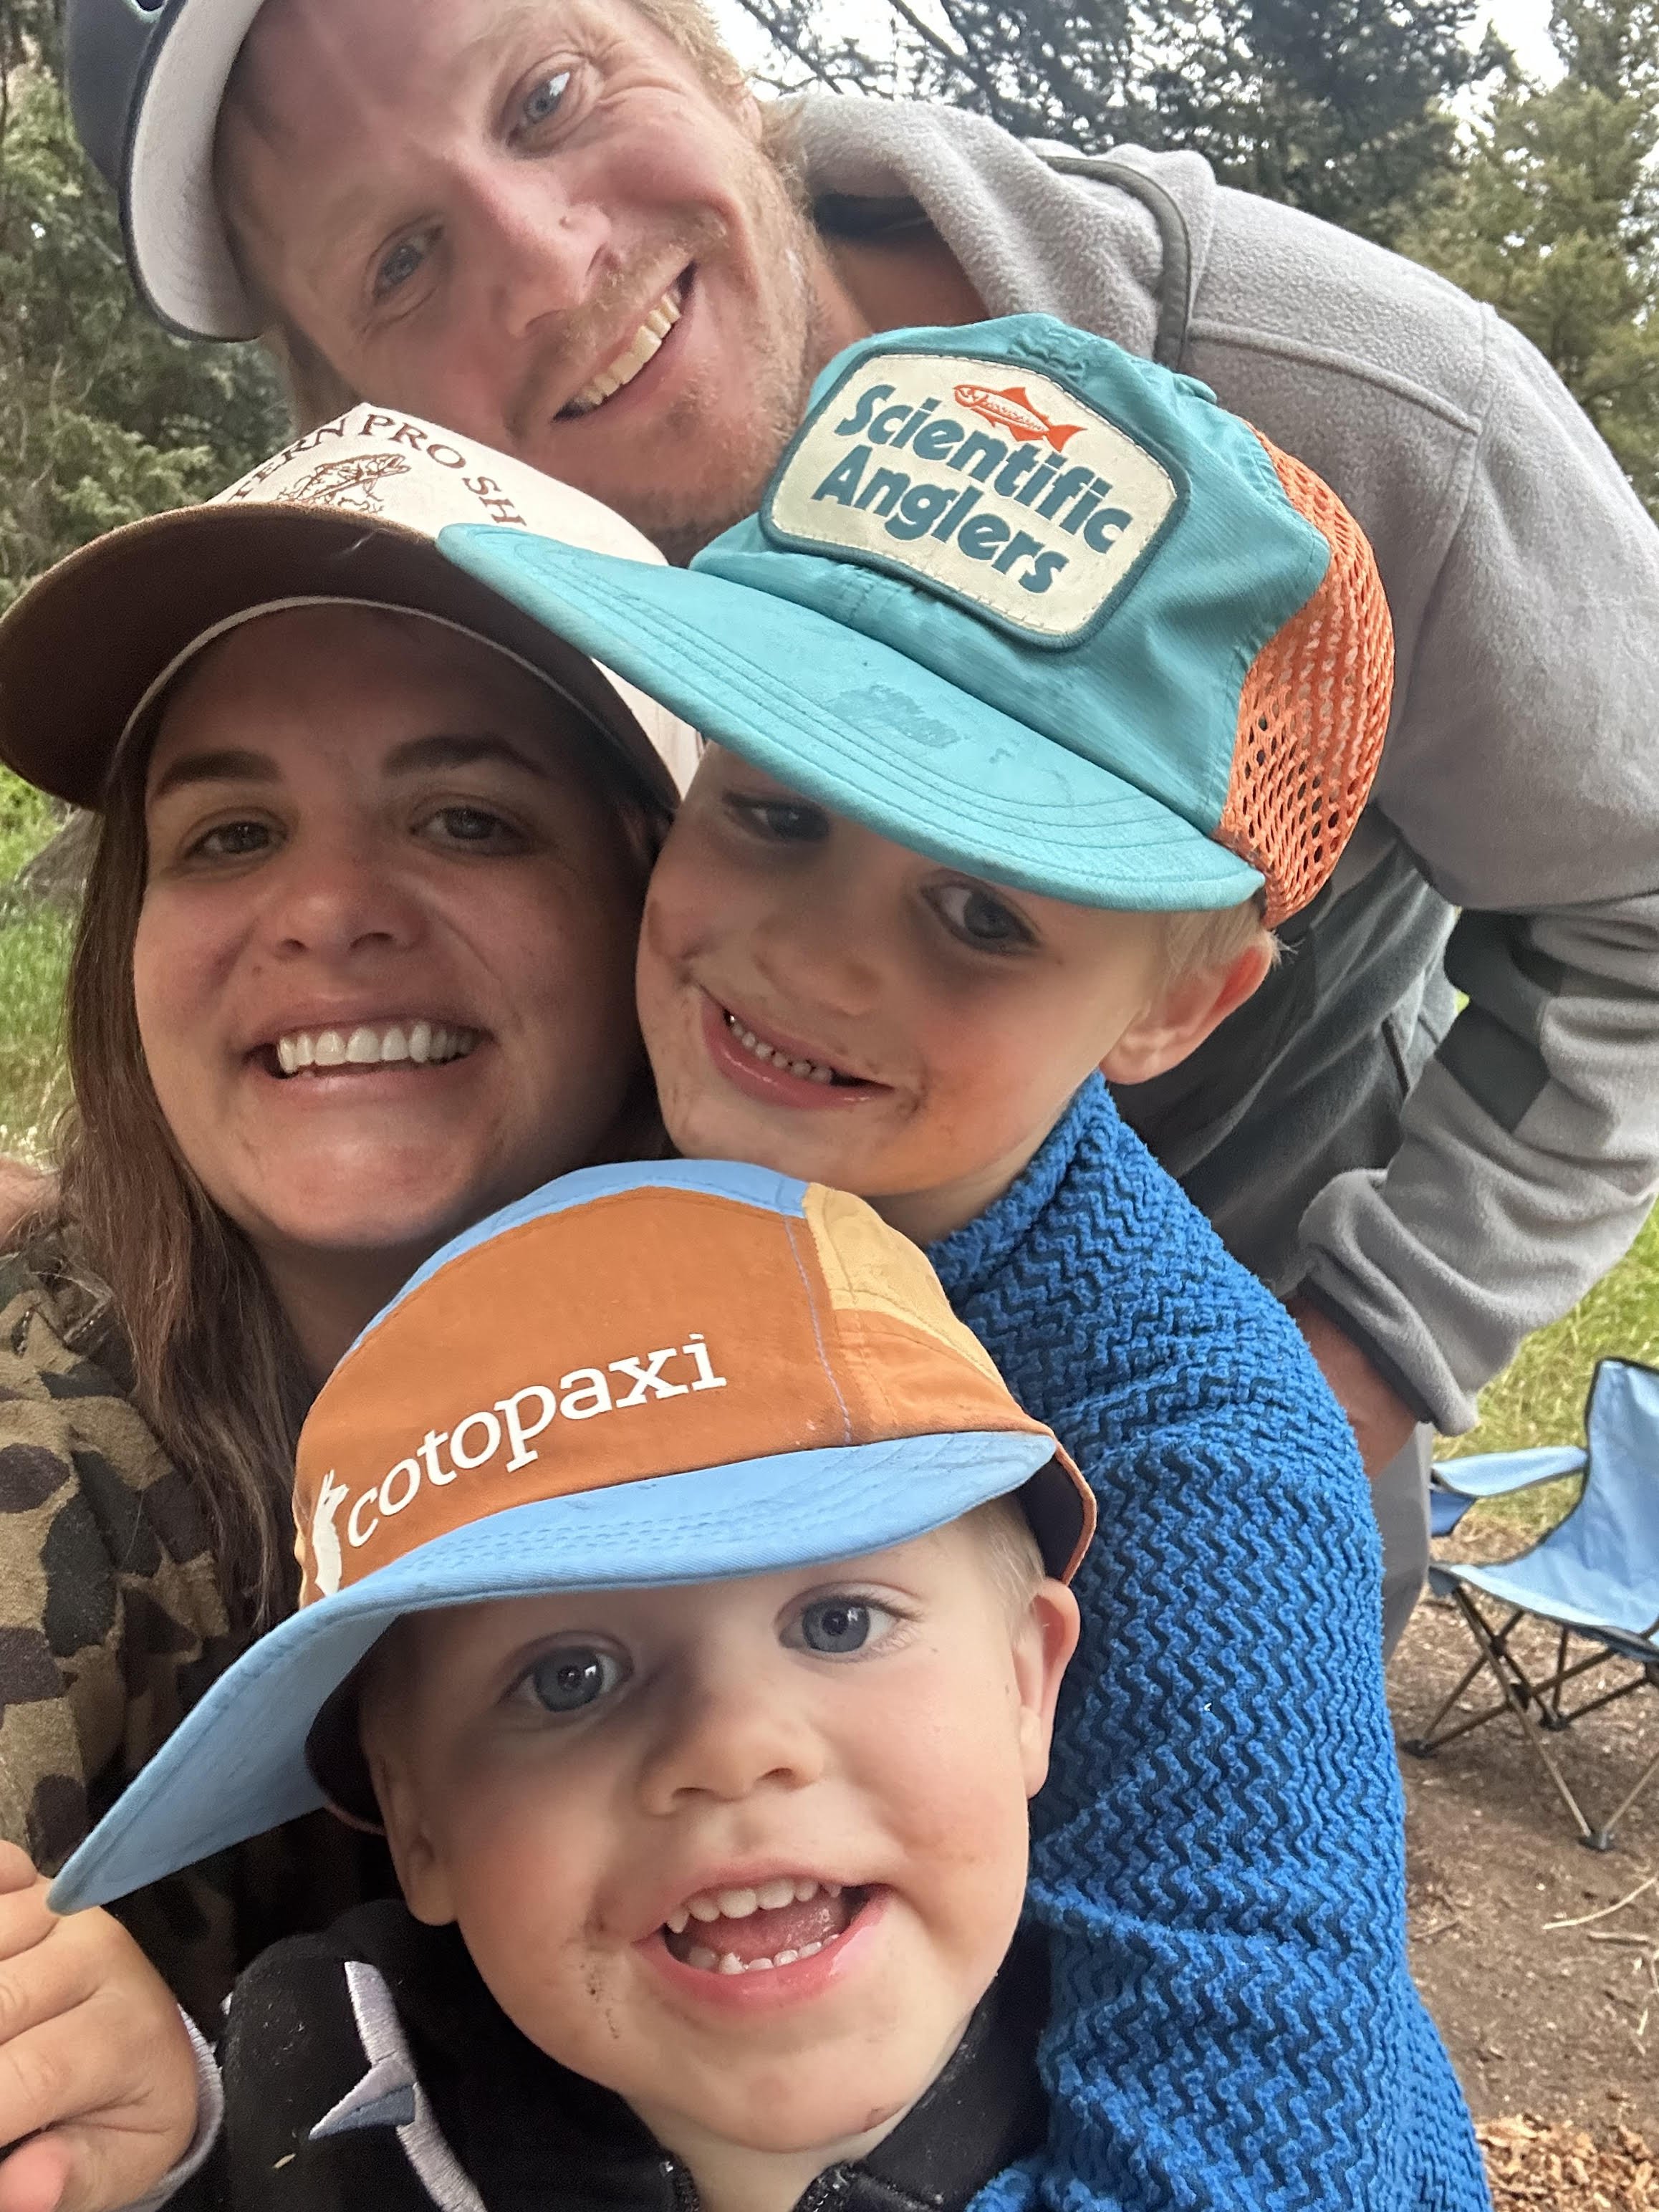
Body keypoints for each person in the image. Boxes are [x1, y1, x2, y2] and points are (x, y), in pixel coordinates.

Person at [62, 0, 1659, 1648]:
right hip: (683, 1408)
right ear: (339, 388)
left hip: (1215, 1353)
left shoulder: (1358, 401)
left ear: (704, 53)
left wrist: (1332, 1380)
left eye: (546, 96)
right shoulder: (464, 558)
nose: (547, 266)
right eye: (399, 260)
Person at [437, 317, 1490, 2211]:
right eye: (771, 811)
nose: (813, 958)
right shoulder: (630, 1154)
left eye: (977, 910)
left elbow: (1263, 2160)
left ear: (1184, 998)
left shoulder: (1193, 1455)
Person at [0, 1161, 1092, 2212]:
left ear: (1024, 1681)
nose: (733, 1745)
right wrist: (168, 2160)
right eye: (572, 1679)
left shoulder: (1176, 2066)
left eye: (839, 1623)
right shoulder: (322, 2073)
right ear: (416, 1824)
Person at [0, 408, 698, 2021]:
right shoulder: (51, 1430)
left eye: (468, 817)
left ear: (658, 897)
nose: (323, 912)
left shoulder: (862, 1403)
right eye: (231, 834)